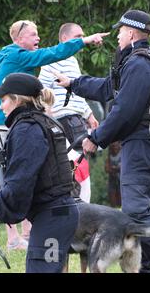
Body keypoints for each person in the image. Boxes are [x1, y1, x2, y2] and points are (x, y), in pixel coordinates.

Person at [55, 9, 150, 273]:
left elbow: (124, 110)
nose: (116, 36)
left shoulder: (139, 64)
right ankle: (146, 270)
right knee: (138, 215)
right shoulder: (143, 61)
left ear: (130, 32)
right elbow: (109, 88)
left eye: (119, 31)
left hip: (143, 145)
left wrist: (96, 137)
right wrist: (74, 83)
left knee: (137, 213)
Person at [0, 20, 107, 247]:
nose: (38, 38)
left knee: (24, 174)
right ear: (19, 38)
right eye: (33, 35)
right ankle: (13, 237)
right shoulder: (18, 55)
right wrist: (84, 41)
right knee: (8, 178)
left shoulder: (4, 57)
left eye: (37, 34)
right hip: (1, 125)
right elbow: (52, 54)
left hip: (1, 122)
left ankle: (27, 231)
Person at [0, 73, 79, 272]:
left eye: (3, 100)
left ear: (16, 100)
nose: (0, 106)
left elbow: (19, 183)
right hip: (57, 215)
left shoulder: (27, 129)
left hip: (53, 216)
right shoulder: (41, 122)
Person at [38, 22, 99, 202]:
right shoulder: (53, 58)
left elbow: (76, 93)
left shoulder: (71, 60)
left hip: (75, 117)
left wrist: (89, 114)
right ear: (64, 39)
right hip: (65, 118)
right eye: (77, 37)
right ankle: (80, 206)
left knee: (76, 165)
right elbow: (41, 88)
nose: (82, 40)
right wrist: (46, 110)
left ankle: (78, 205)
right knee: (77, 165)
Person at [105, 141, 121, 207]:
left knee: (121, 194)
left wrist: (113, 168)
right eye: (113, 146)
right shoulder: (109, 155)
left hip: (121, 179)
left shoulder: (122, 153)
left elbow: (122, 167)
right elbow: (107, 169)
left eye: (116, 146)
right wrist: (116, 168)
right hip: (112, 179)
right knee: (112, 193)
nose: (115, 147)